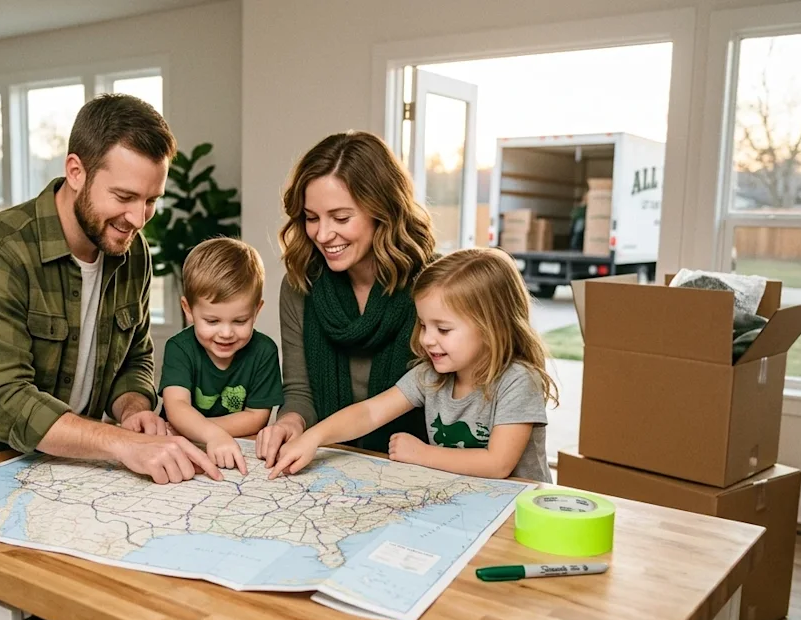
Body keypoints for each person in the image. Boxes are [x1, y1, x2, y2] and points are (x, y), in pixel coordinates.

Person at [0, 93, 221, 485]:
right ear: (76, 172)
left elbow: (134, 359)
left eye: (151, 200)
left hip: (66, 475)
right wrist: (123, 443)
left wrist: (133, 410)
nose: (137, 218)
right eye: (124, 196)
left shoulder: (133, 251)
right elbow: (5, 401)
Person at [268, 248, 559, 483]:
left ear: (491, 327)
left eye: (443, 329)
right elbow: (370, 412)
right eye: (423, 325)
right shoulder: (430, 375)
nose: (427, 339)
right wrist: (314, 437)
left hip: (520, 510)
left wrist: (421, 453)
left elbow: (497, 464)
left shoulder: (518, 380)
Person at [256, 130, 437, 466]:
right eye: (311, 218)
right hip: (336, 460)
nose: (323, 235)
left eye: (341, 218)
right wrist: (290, 422)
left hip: (421, 464)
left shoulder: (435, 285)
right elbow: (299, 392)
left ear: (382, 210)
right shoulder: (299, 286)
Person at [158, 237, 283, 476]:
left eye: (240, 321)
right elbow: (177, 407)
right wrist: (212, 435)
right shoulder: (179, 348)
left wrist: (205, 432)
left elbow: (256, 417)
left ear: (256, 311)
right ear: (188, 309)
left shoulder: (264, 351)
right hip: (179, 449)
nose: (226, 333)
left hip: (234, 449)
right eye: (212, 321)